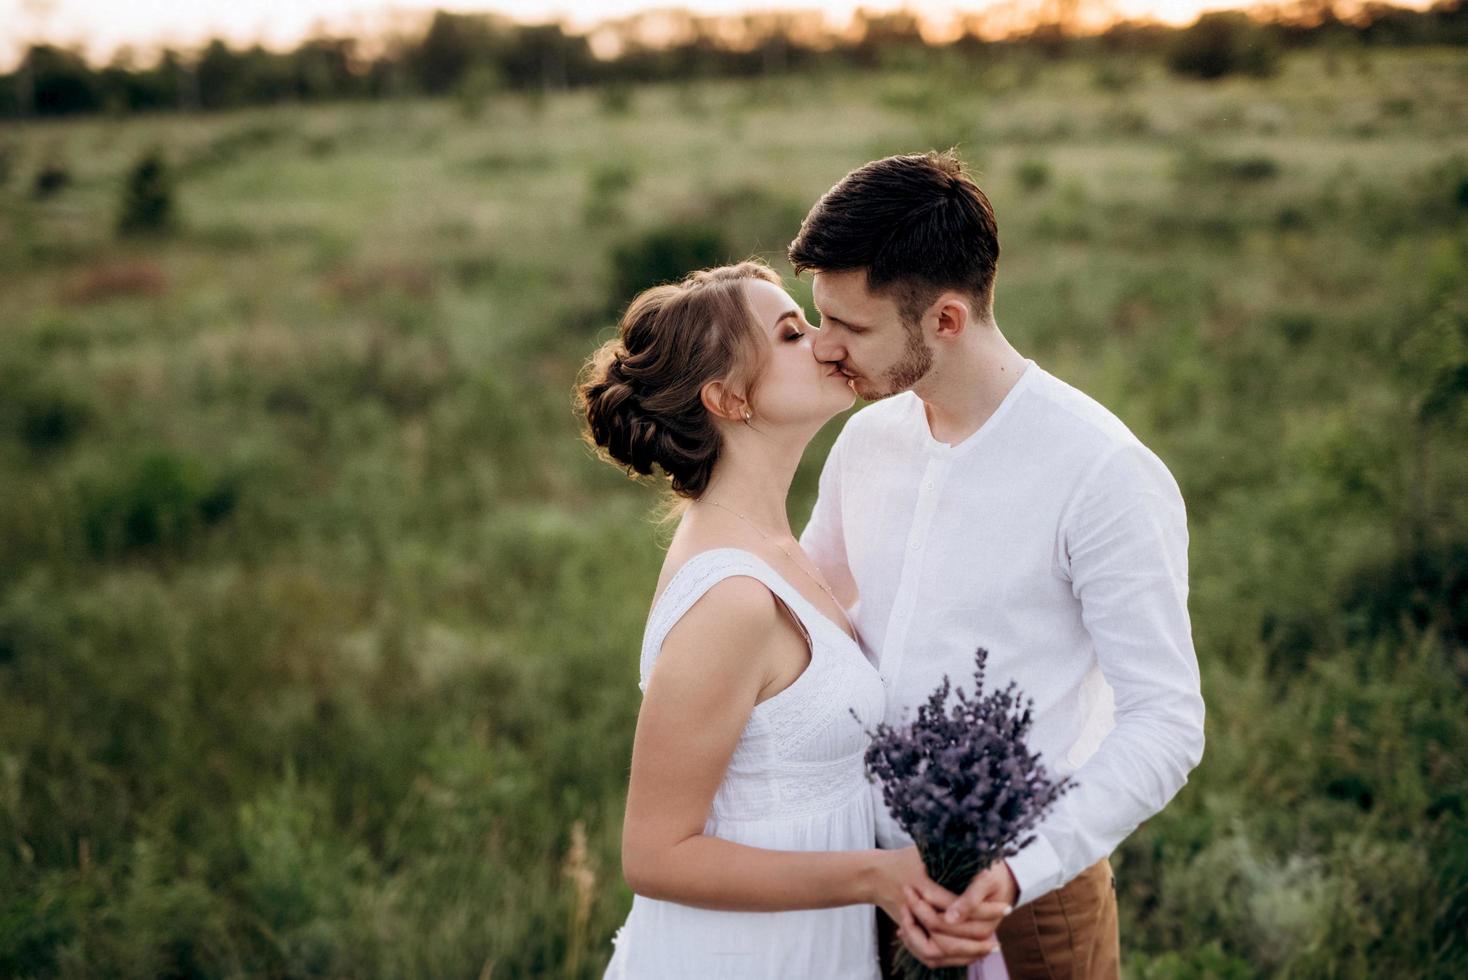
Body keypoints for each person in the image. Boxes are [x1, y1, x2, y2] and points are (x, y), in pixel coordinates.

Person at [792, 151, 1207, 979]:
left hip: (1027, 900)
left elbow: (1166, 721)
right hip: (862, 877)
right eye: (819, 317)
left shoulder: (1103, 472)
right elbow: (809, 619)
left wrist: (1013, 872)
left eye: (852, 327)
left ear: (946, 319)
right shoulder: (867, 439)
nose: (823, 349)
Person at [579, 260, 1009, 978]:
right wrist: (875, 876)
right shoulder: (731, 597)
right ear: (728, 397)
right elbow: (654, 855)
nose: (824, 342)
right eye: (790, 332)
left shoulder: (782, 548)